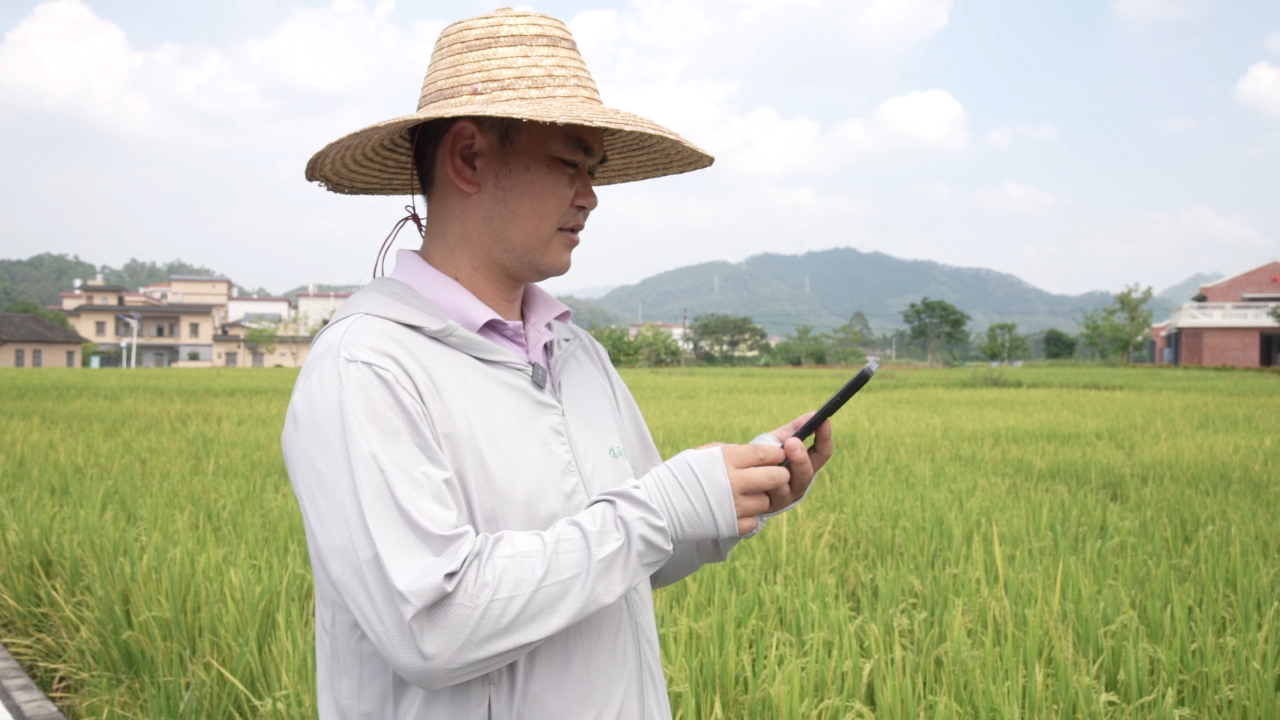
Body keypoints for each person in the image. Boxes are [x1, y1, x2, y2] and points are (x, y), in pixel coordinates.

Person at [282, 8, 833, 719]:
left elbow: (634, 547)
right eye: (571, 163)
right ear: (469, 157)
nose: (591, 196)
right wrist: (665, 506)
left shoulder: (576, 352)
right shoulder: (368, 367)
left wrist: (733, 496)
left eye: (593, 170)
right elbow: (433, 624)